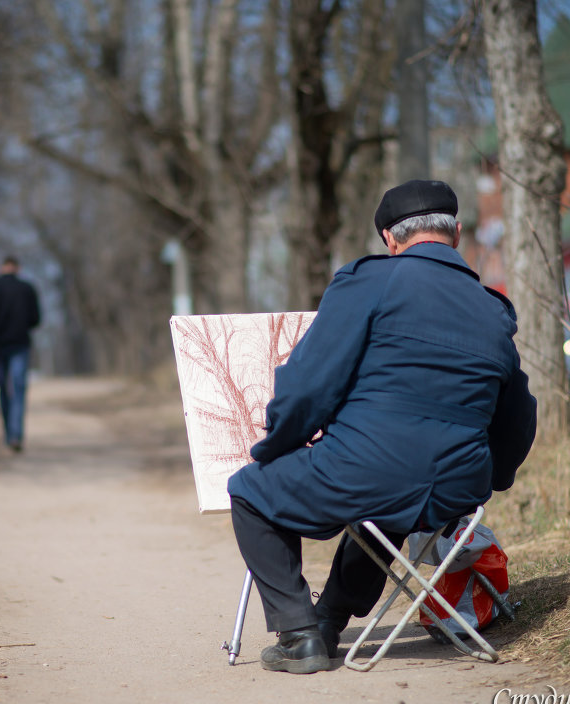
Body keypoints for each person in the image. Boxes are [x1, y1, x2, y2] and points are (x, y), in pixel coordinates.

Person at [227, 179, 537, 674]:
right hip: (457, 490)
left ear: (390, 241)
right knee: (386, 510)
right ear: (456, 233)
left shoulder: (368, 282)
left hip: (367, 472)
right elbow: (519, 417)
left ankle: (298, 632)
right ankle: (328, 619)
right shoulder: (493, 309)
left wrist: (275, 447)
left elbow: (308, 386)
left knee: (248, 491)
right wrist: (490, 477)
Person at [0, 256, 41, 452]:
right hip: (20, 344)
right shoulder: (27, 288)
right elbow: (36, 319)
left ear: (1, 267)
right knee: (19, 389)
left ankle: (8, 434)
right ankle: (16, 435)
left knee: (3, 388)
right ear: (18, 268)